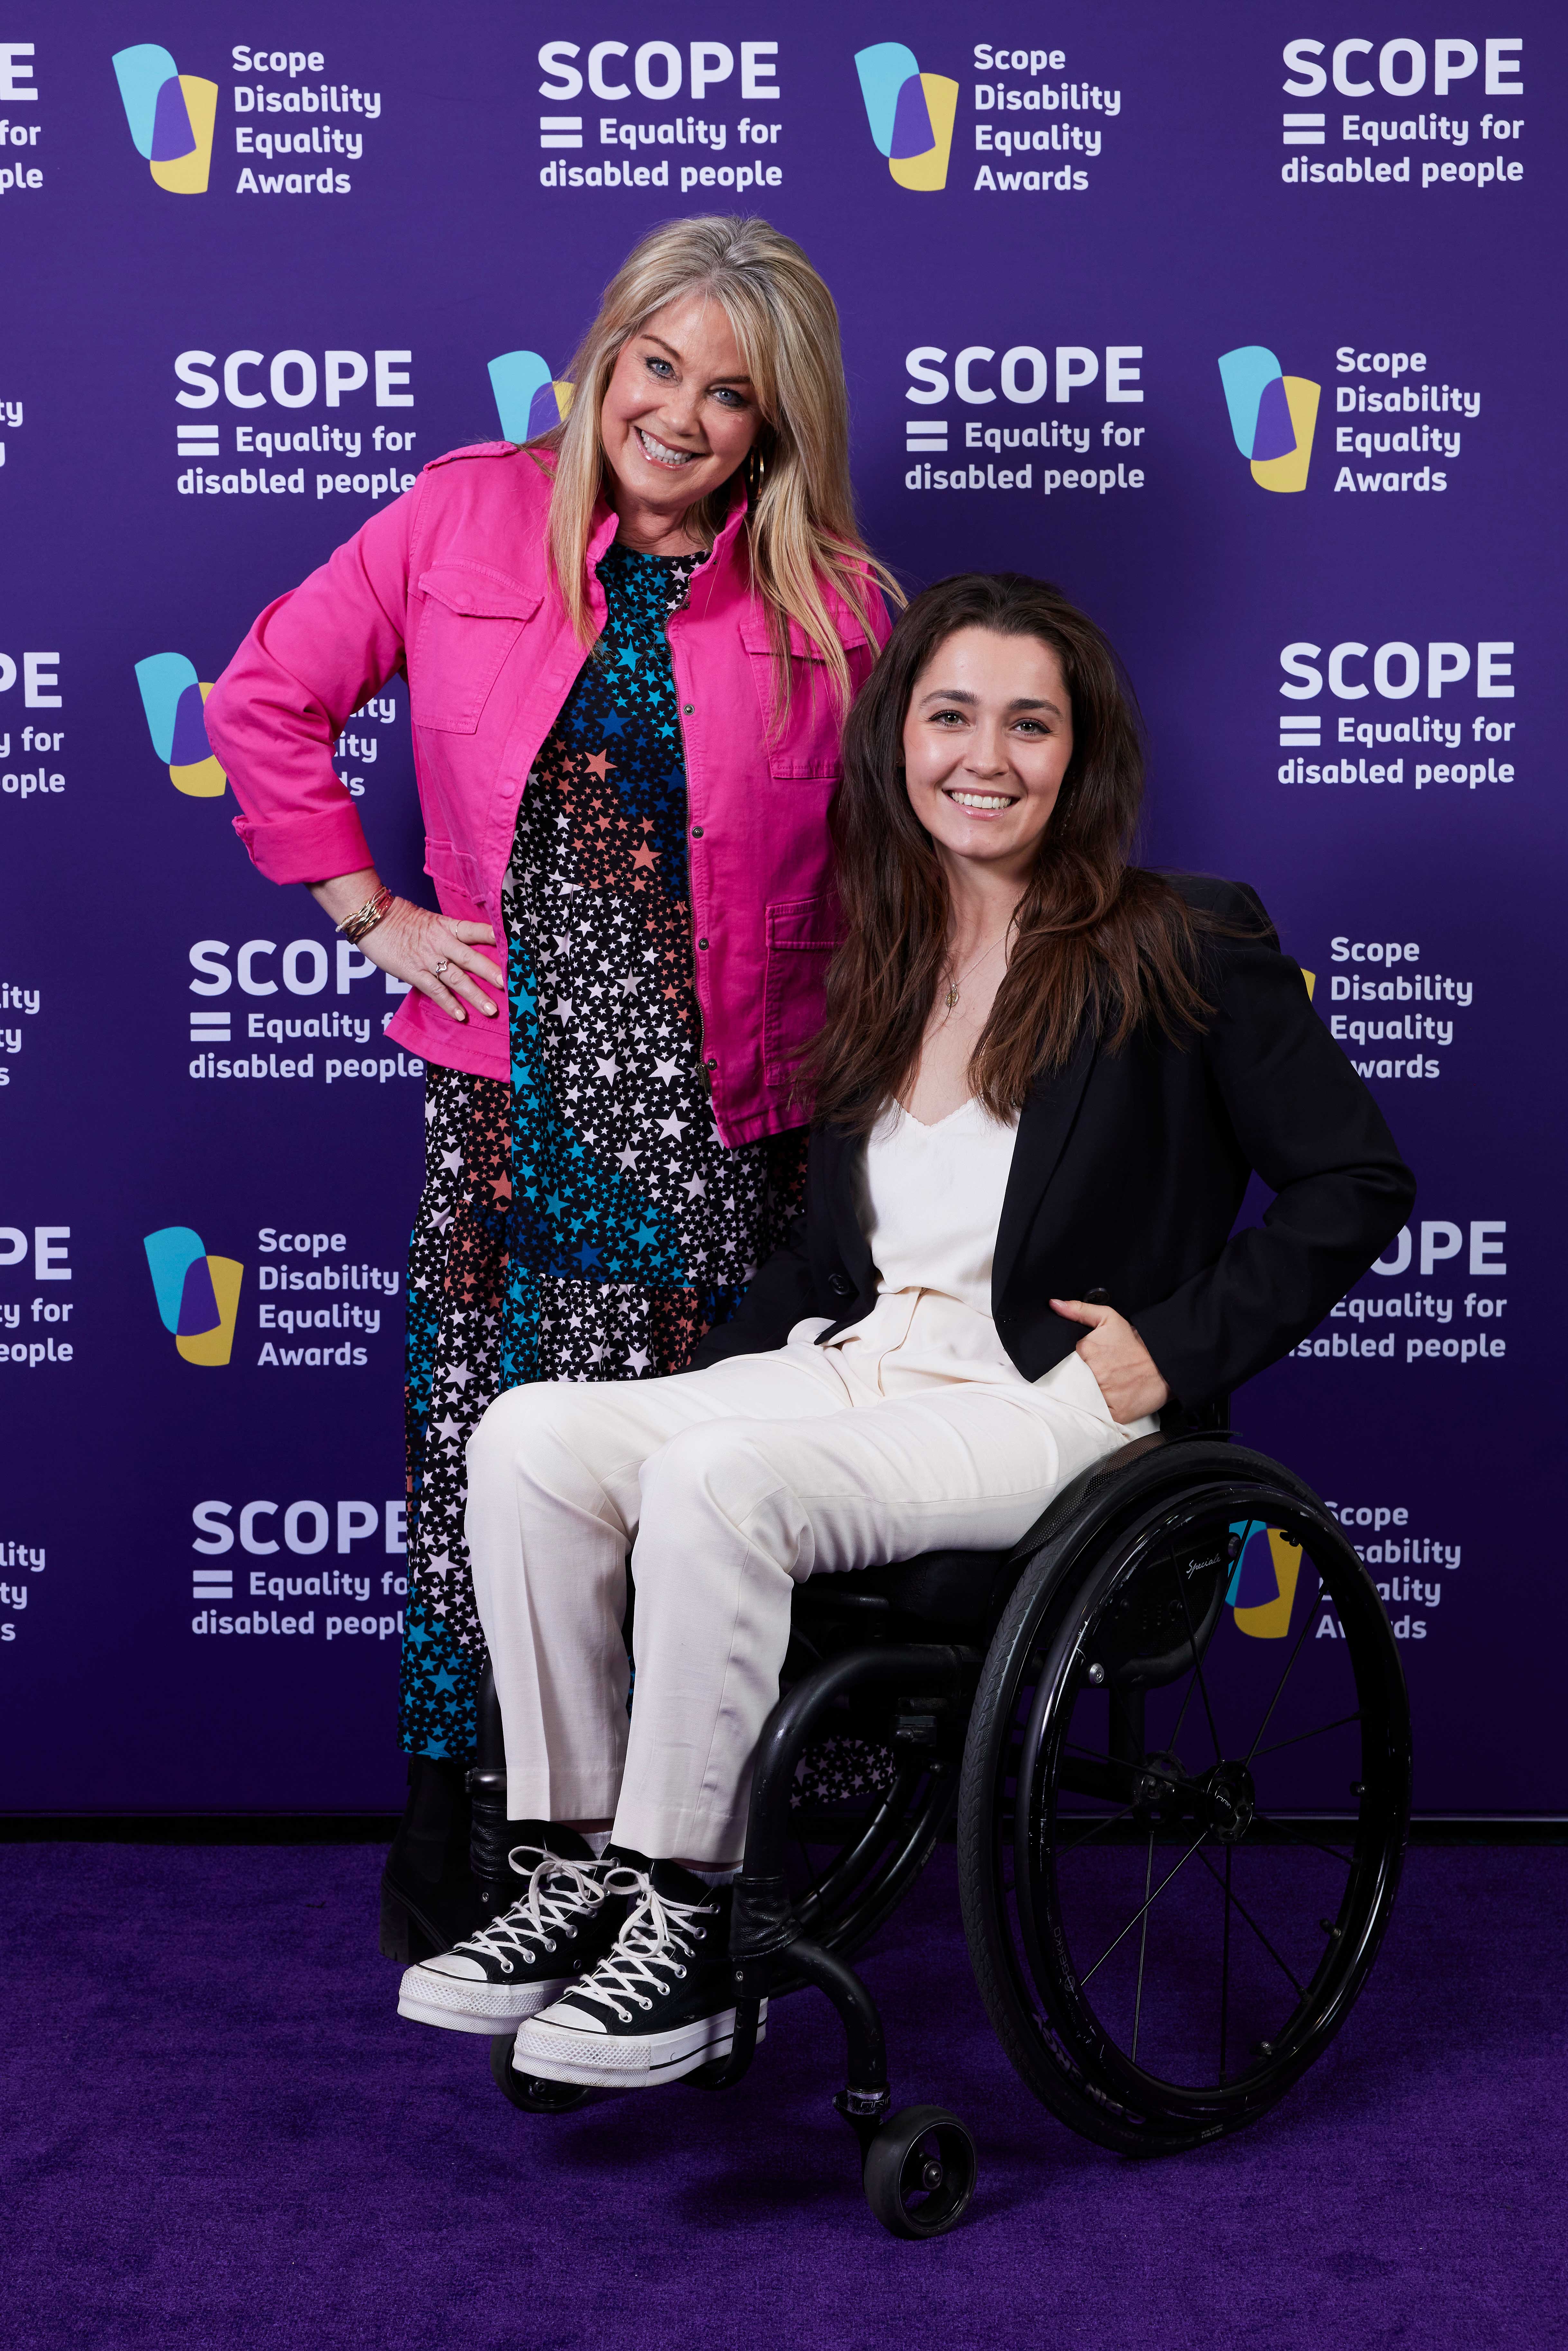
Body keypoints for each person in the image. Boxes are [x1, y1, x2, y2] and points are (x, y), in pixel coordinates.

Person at [396, 571, 1416, 2089]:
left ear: (1081, 755)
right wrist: (714, 1385)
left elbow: (1357, 1180)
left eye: (1029, 723)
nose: (984, 757)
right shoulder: (874, 958)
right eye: (951, 716)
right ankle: (573, 1870)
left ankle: (689, 1913)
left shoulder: (1183, 941)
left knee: (719, 1486)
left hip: (1048, 1402)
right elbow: (822, 1262)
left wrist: (1174, 1350)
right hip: (861, 1369)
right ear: (899, 742)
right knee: (532, 1434)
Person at [203, 217, 895, 1959]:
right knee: (475, 1452)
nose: (676, 413)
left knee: (690, 1471)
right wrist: (371, 910)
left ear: (771, 428)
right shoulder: (456, 515)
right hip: (510, 1102)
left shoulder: (836, 602)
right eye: (656, 365)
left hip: (727, 1116)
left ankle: (674, 1843)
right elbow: (264, 698)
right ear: (601, 359)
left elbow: (911, 857)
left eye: (727, 393)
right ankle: (460, 1798)